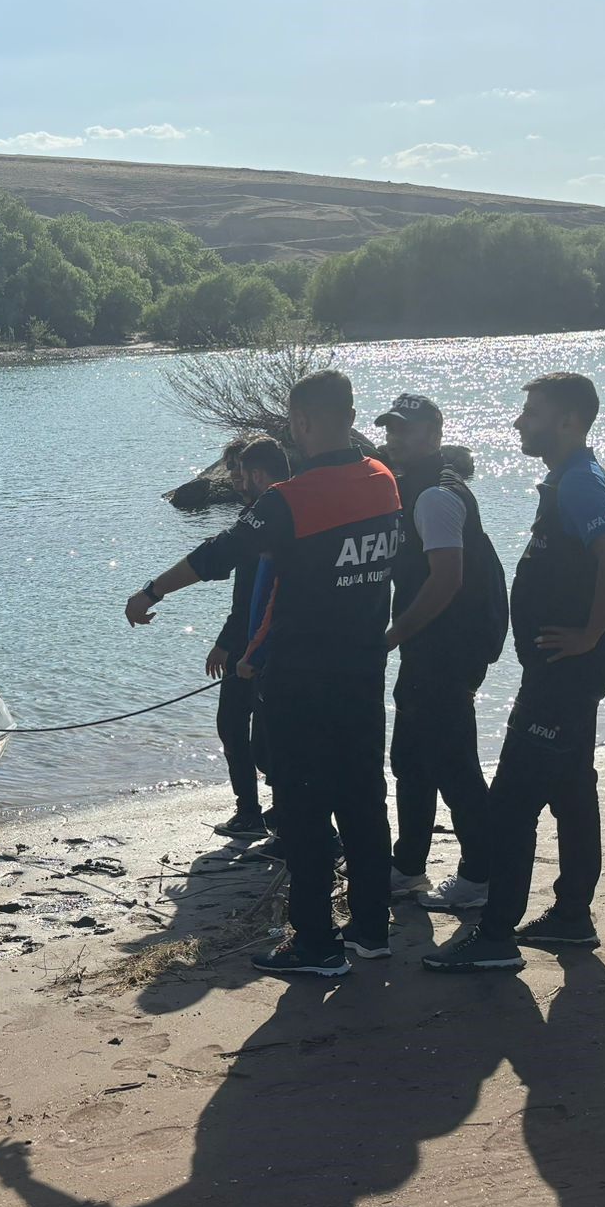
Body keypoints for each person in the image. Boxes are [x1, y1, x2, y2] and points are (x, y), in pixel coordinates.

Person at [127, 369, 402, 978]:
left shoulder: (292, 498)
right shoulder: (384, 482)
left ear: (301, 422)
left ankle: (315, 945)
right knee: (363, 799)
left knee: (302, 809)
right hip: (363, 671)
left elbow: (219, 555)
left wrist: (152, 591)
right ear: (350, 413)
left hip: (302, 677)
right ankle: (370, 928)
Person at [425, 374, 605, 974]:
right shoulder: (567, 482)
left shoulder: (581, 484)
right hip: (565, 667)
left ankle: (495, 937)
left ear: (568, 421)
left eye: (532, 413)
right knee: (572, 789)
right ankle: (571, 916)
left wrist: (592, 632)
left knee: (512, 804)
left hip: (566, 670)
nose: (519, 422)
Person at [375, 394, 509, 913]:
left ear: (435, 432)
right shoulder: (415, 488)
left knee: (453, 764)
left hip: (447, 648)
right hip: (428, 646)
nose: (396, 439)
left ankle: (481, 874)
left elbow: (446, 580)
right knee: (410, 759)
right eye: (391, 429)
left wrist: (388, 636)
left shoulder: (435, 495)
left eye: (407, 430)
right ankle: (408, 868)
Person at [205, 436, 290, 840]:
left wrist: (226, 643)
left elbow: (250, 601)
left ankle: (261, 810)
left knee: (251, 732)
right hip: (251, 637)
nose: (237, 480)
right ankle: (259, 809)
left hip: (259, 643)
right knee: (241, 728)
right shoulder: (253, 518)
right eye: (232, 472)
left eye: (241, 472)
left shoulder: (263, 521)